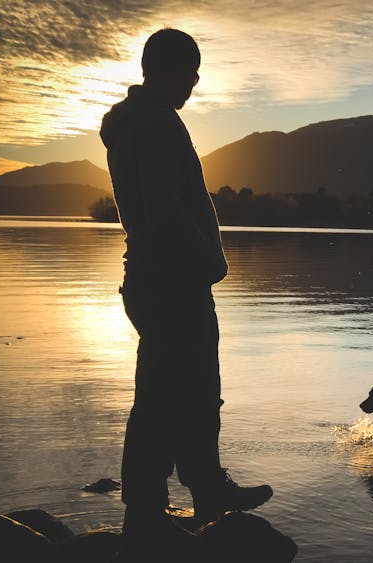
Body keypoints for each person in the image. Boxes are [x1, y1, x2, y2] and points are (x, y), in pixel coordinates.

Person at [99, 28, 273, 544]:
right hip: (172, 278)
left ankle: (193, 490)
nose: (195, 83)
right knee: (176, 393)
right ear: (168, 70)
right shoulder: (154, 124)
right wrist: (208, 258)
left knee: (181, 390)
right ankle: (155, 506)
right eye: (191, 72)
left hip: (156, 275)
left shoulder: (140, 122)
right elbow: (166, 207)